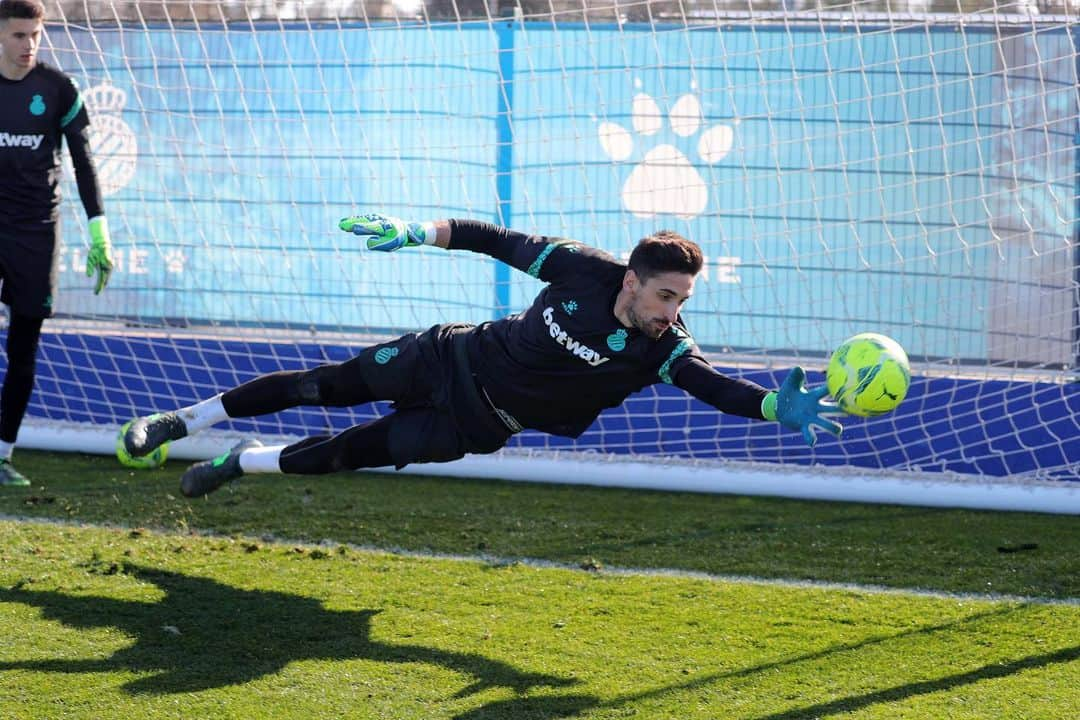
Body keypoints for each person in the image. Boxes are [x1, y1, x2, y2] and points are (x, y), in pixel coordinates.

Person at [124, 214, 842, 498]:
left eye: (683, 300)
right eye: (665, 297)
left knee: (340, 454)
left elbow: (712, 387)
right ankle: (180, 422)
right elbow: (491, 238)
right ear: (631, 280)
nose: (673, 313)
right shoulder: (582, 270)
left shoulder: (664, 350)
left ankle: (237, 461)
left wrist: (774, 404)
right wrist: (415, 230)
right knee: (323, 386)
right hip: (448, 358)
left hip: (474, 425)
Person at [0, 0, 114, 487]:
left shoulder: (57, 88)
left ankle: (2, 454)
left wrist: (98, 230)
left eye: (35, 35)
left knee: (24, 348)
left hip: (35, 233)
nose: (29, 45)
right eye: (18, 35)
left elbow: (84, 162)